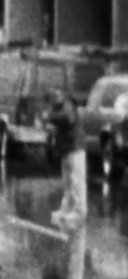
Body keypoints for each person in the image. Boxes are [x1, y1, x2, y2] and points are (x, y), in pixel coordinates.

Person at [48, 90, 87, 232]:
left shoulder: (68, 104)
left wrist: (49, 116)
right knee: (67, 182)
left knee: (76, 182)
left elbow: (66, 119)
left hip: (74, 148)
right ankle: (67, 209)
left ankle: (79, 212)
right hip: (67, 149)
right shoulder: (62, 106)